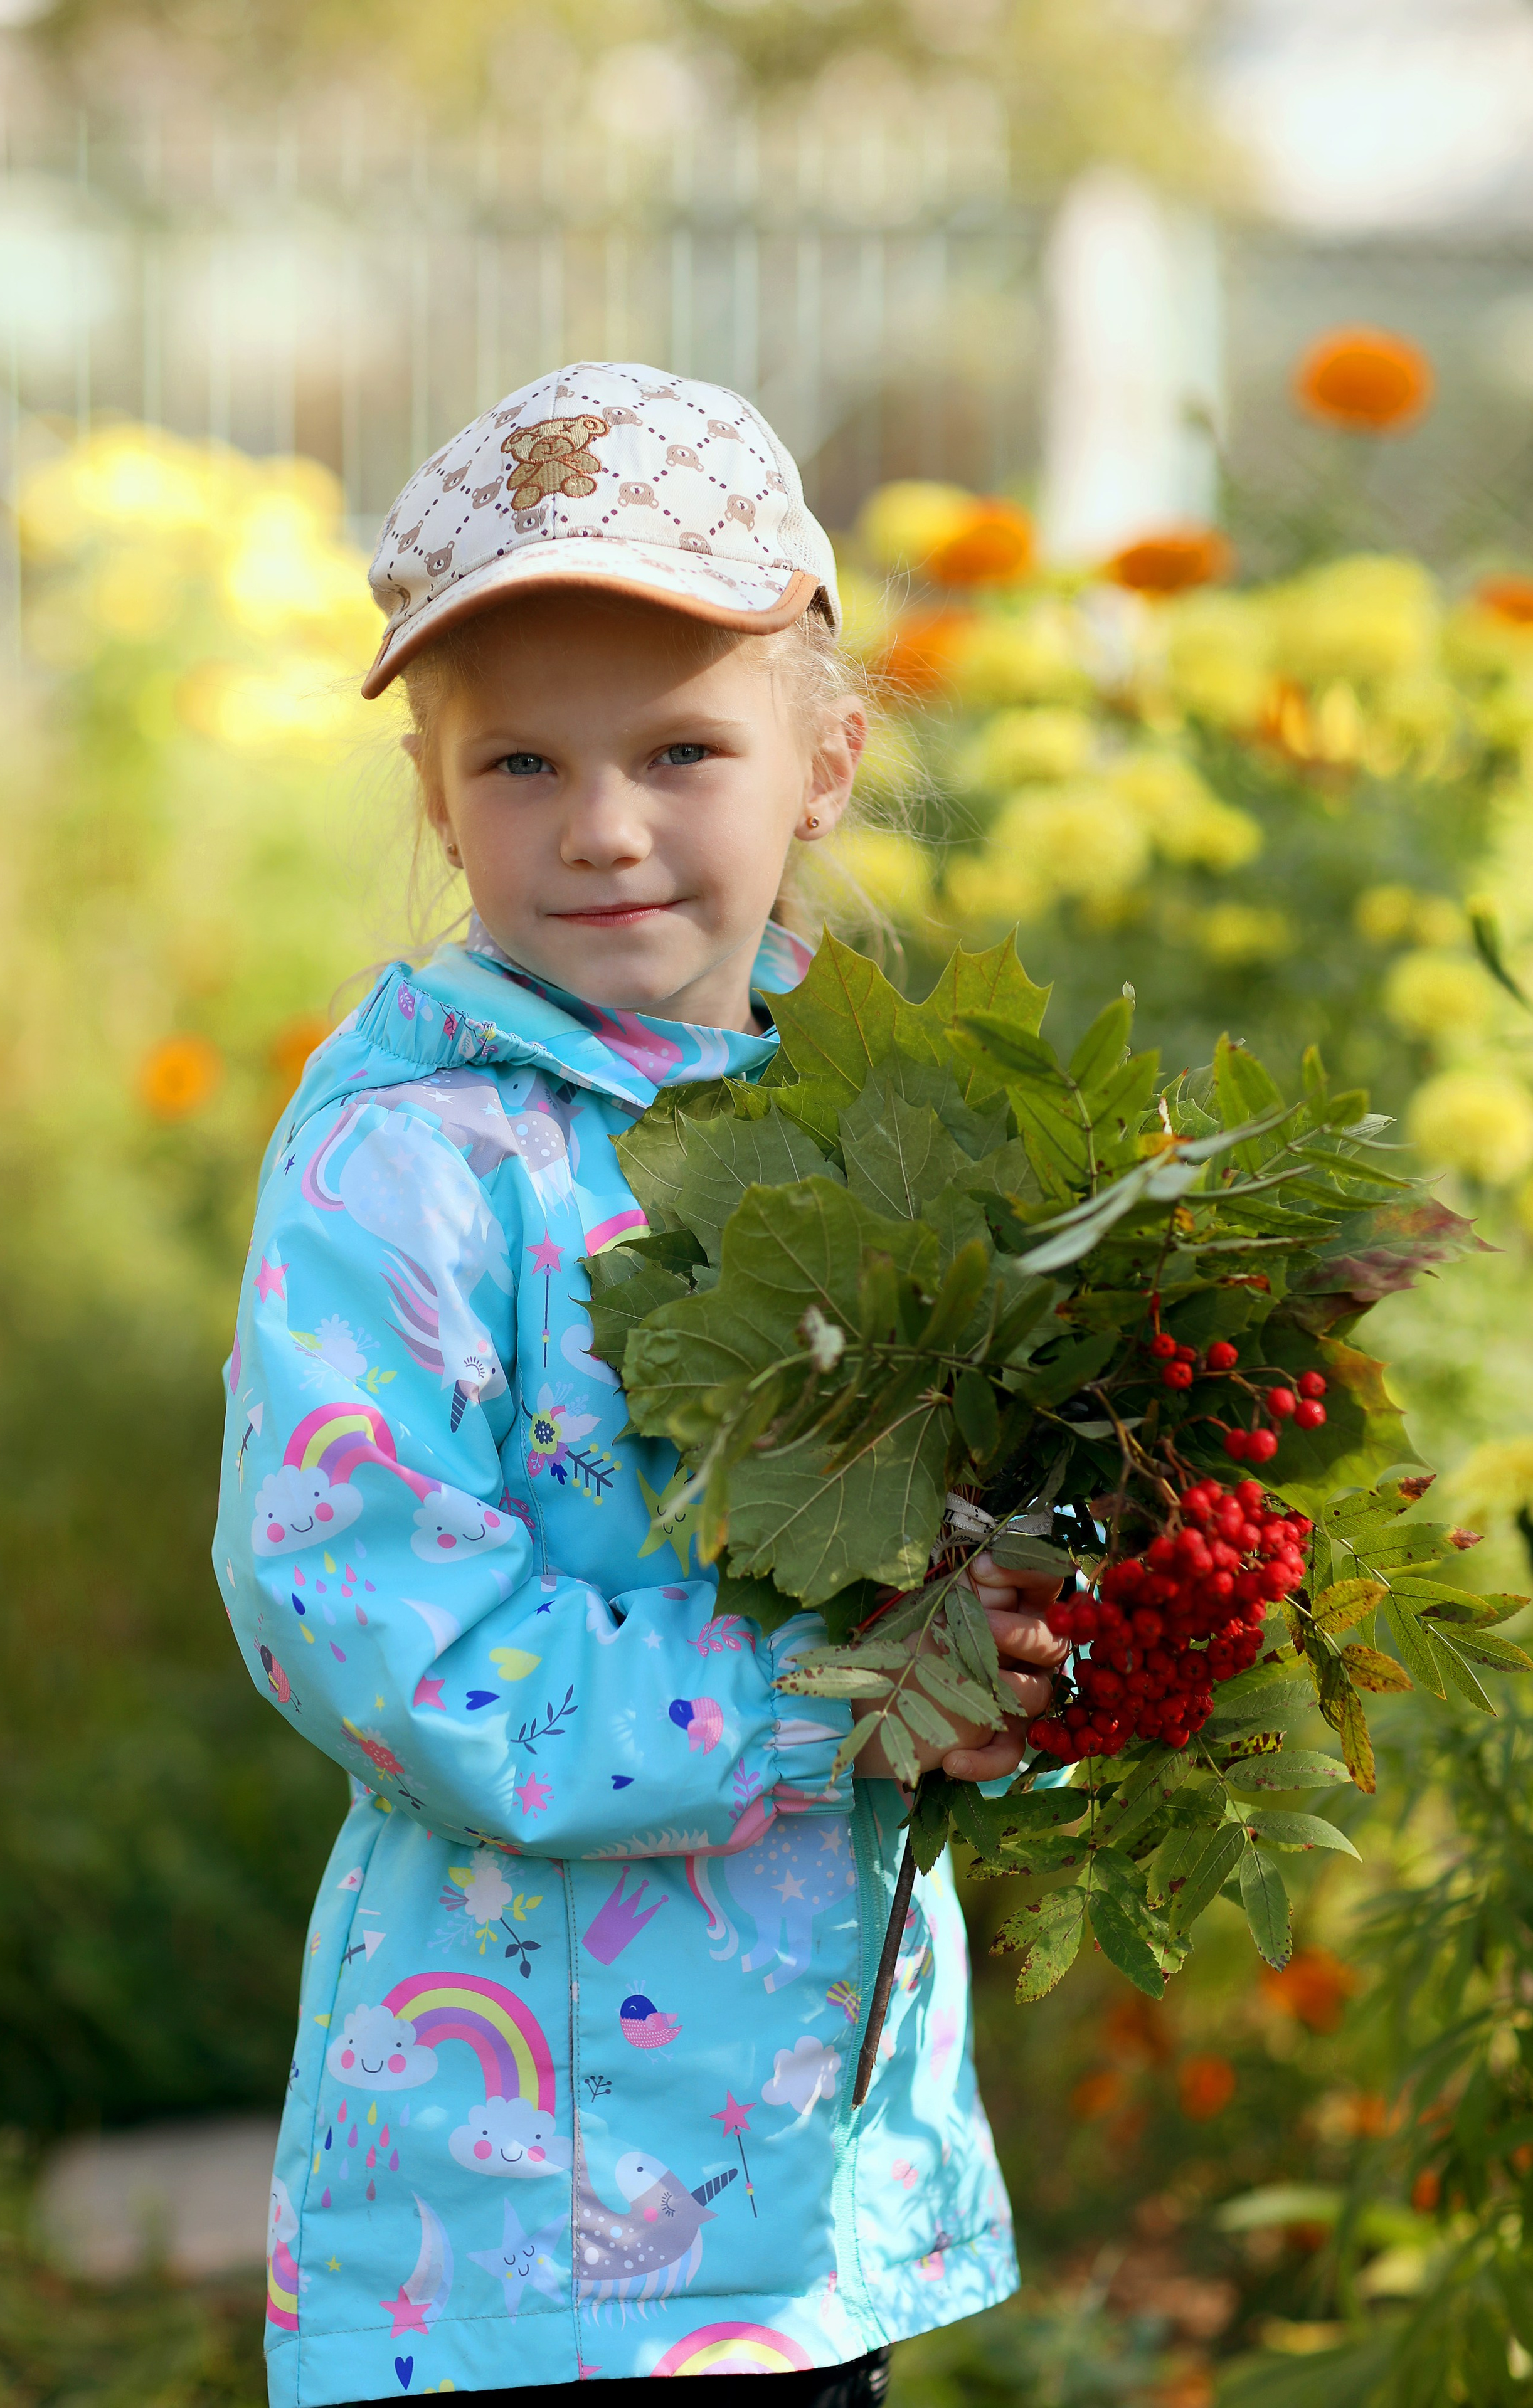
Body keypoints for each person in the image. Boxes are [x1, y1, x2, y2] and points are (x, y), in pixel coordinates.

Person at [214, 362, 1067, 2408]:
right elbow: (373, 1621)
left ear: (825, 761)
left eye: (681, 749)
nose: (602, 830)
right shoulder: (407, 1164)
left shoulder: (886, 1132)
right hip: (515, 2218)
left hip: (812, 2202)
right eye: (521, 763)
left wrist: (1026, 1664)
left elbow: (1000, 1525)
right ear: (437, 796)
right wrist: (839, 1694)